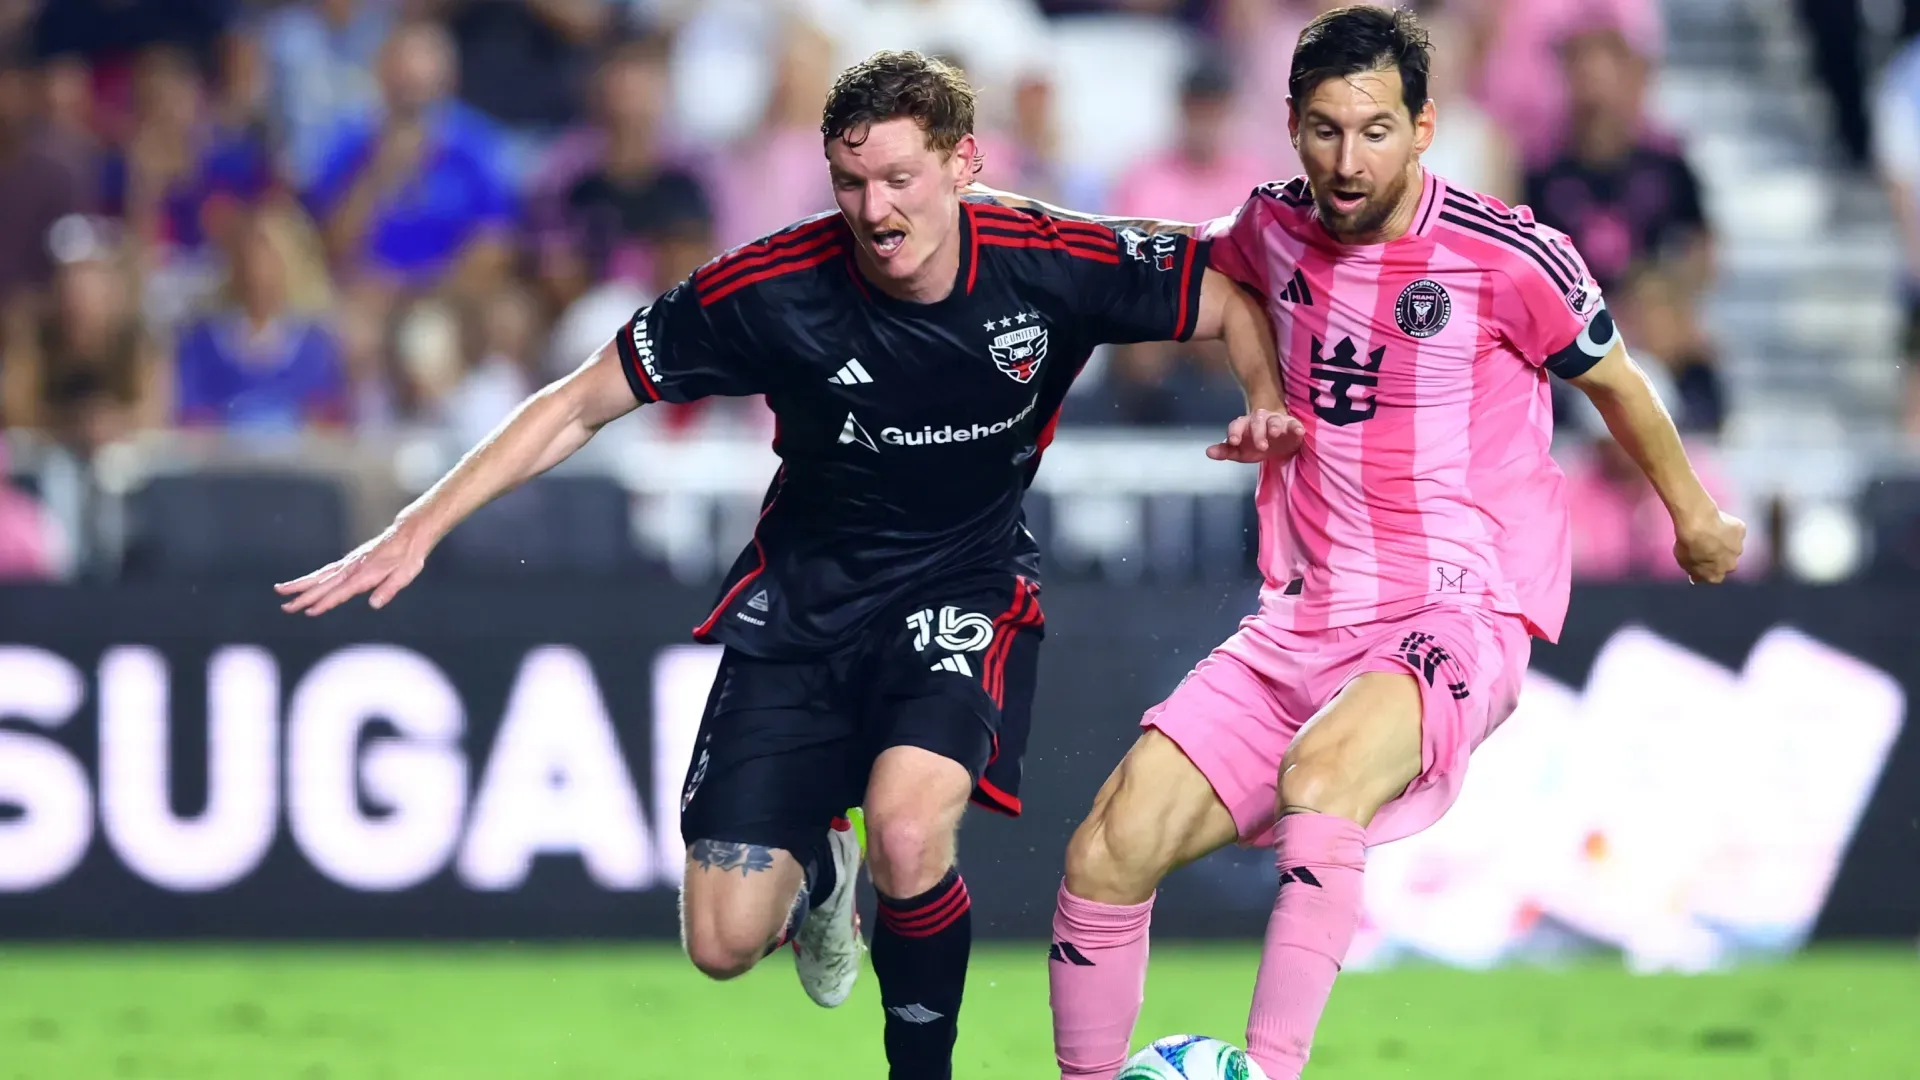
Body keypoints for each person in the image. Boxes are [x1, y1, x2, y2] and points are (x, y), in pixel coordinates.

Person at [274, 50, 1294, 1080]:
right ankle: (817, 878)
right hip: (802, 610)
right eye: (851, 184)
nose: (876, 209)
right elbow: (583, 397)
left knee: (907, 830)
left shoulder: (1048, 255)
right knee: (722, 943)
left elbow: (1224, 290)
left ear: (962, 163)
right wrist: (419, 522)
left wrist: (1263, 395)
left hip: (960, 588)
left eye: (899, 179)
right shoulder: (775, 288)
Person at [986, 8, 1745, 1079]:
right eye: (1328, 130)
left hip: (1458, 606)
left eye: (1377, 130)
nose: (1350, 161)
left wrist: (1693, 514)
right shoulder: (1269, 226)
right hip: (1303, 616)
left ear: (1425, 126)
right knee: (1108, 849)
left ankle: (1271, 1070)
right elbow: (1186, 274)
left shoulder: (1508, 253)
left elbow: (1618, 383)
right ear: (1291, 124)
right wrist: (996, 232)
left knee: (1323, 776)